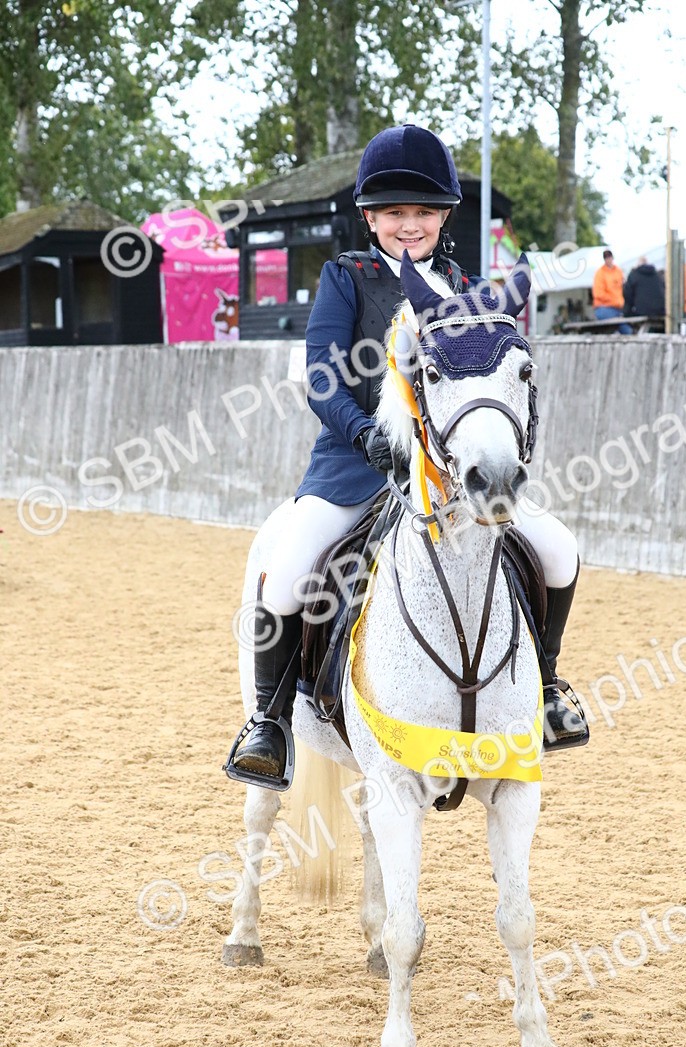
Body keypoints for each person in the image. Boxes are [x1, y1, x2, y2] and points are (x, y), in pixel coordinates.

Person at [231, 124, 588, 787]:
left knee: (559, 550)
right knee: (286, 575)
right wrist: (366, 432)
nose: (410, 224)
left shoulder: (469, 287)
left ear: (445, 214)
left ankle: (546, 689)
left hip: (452, 474)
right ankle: (270, 723)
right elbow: (321, 378)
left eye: (423, 211)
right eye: (395, 212)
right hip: (353, 467)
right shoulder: (346, 279)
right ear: (370, 217)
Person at [592, 249, 632, 334]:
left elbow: (623, 287)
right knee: (621, 328)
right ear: (604, 259)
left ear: (612, 258)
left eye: (609, 257)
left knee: (628, 330)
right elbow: (598, 294)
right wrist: (614, 300)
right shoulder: (600, 273)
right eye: (606, 258)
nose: (608, 259)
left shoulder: (618, 271)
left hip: (618, 308)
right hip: (604, 308)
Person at [623, 256, 666, 320]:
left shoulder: (634, 275)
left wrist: (627, 312)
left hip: (643, 311)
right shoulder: (657, 275)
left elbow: (627, 295)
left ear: (638, 264)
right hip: (660, 311)